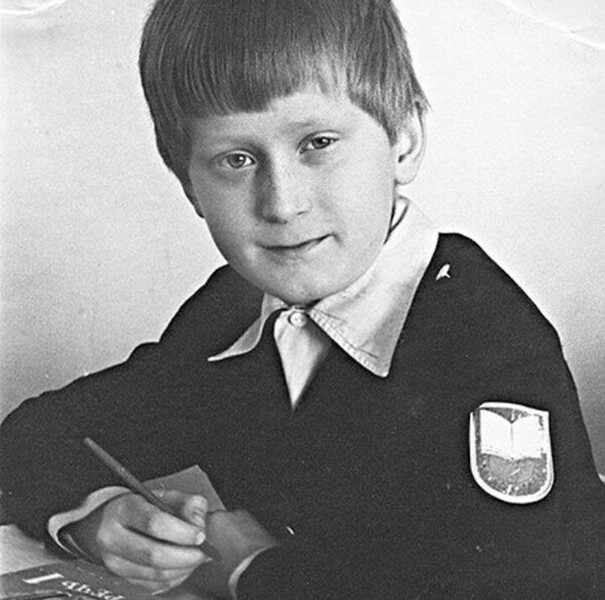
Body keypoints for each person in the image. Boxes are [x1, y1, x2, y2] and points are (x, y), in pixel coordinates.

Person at [2, 0, 605, 598]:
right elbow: (38, 435)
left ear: (404, 140)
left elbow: (514, 584)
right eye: (236, 160)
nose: (282, 203)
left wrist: (249, 571)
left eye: (318, 143)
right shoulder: (235, 311)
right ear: (189, 186)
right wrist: (95, 518)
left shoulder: (487, 337)